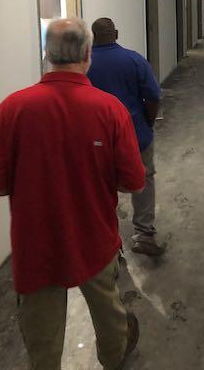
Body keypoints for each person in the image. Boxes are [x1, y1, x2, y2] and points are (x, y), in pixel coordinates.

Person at [0, 18, 146, 370]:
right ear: (88, 54)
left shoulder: (12, 109)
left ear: (47, 54)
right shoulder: (109, 109)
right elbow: (133, 181)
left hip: (35, 248)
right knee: (110, 320)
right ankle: (114, 360)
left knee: (42, 345)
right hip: (95, 241)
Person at [87, 18, 164, 257]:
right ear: (117, 34)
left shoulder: (83, 64)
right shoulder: (134, 60)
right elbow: (153, 96)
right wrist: (147, 123)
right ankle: (144, 234)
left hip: (97, 140)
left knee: (100, 187)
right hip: (135, 133)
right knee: (143, 178)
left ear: (93, 36)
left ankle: (109, 244)